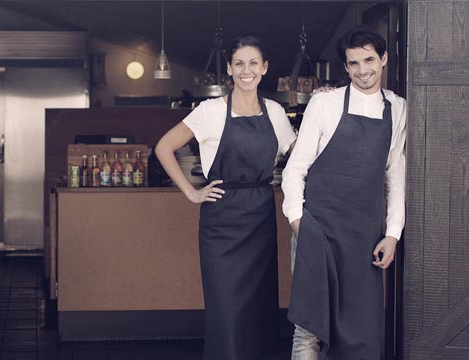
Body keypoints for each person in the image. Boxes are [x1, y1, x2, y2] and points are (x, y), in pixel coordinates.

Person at [155, 36, 296, 360]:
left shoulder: (274, 112)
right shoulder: (210, 111)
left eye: (253, 63)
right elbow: (163, 147)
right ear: (230, 70)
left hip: (260, 219)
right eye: (239, 64)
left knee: (260, 312)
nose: (247, 70)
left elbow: (299, 156)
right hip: (221, 224)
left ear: (264, 68)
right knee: (227, 312)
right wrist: (191, 192)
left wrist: (324, 106)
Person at [281, 26, 406, 360]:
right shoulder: (325, 103)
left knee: (361, 329)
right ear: (346, 67)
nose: (362, 70)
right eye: (353, 63)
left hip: (364, 236)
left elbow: (395, 176)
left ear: (383, 59)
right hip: (317, 229)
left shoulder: (398, 108)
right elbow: (296, 168)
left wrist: (392, 234)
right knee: (309, 327)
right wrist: (298, 222)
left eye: (369, 60)